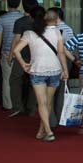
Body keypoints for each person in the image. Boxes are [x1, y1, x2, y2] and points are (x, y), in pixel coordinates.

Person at [11, 7, 69, 142]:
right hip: (55, 70)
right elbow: (61, 52)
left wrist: (23, 64)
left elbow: (16, 50)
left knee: (41, 103)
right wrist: (65, 69)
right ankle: (42, 130)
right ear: (56, 20)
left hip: (37, 70)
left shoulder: (29, 33)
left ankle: (48, 131)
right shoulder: (57, 32)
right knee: (48, 102)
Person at [8, 0, 39, 118]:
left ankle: (17, 106)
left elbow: (16, 39)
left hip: (21, 55)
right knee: (33, 82)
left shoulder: (20, 22)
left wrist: (11, 54)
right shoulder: (40, 21)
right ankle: (31, 107)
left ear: (23, 7)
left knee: (15, 80)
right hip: (36, 55)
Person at [0, 0, 23, 110]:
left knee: (6, 79)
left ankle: (8, 104)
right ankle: (20, 103)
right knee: (20, 79)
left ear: (7, 4)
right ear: (19, 5)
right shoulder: (23, 18)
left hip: (6, 52)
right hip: (22, 52)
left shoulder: (1, 19)